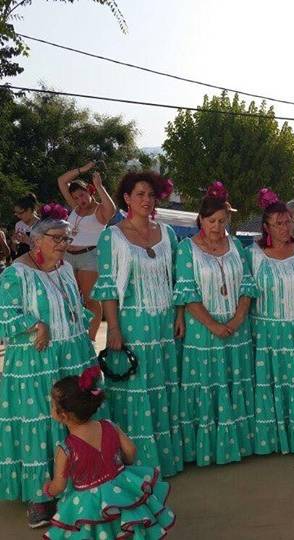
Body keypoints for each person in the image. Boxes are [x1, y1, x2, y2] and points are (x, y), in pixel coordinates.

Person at [0, 203, 98, 528]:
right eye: (56, 238)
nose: (62, 245)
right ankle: (41, 496)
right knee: (43, 421)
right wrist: (36, 324)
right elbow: (5, 314)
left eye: (66, 239)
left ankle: (74, 484)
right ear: (35, 240)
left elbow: (75, 307)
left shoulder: (66, 268)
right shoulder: (16, 273)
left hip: (71, 353)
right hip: (35, 360)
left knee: (74, 416)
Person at [91, 171, 185, 477]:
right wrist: (114, 328)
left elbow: (178, 281)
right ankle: (137, 461)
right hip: (131, 324)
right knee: (136, 389)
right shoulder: (112, 236)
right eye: (140, 194)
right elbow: (106, 286)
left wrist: (179, 315)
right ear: (127, 198)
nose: (147, 200)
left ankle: (167, 459)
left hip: (164, 323)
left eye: (151, 195)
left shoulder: (168, 234)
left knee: (164, 387)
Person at [173, 181, 257, 466]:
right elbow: (187, 293)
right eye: (211, 220)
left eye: (222, 221)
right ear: (201, 219)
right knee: (208, 384)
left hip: (236, 329)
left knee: (234, 381)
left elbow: (247, 285)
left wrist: (237, 319)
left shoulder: (236, 246)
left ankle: (238, 446)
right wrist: (213, 325)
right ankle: (206, 450)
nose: (217, 226)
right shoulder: (187, 249)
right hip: (203, 332)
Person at [44, 367, 175, 538]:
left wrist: (48, 490)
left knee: (96, 531)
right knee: (124, 527)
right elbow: (131, 450)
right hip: (120, 487)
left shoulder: (66, 449)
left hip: (88, 503)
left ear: (63, 415)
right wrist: (124, 464)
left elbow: (59, 485)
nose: (51, 408)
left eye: (53, 406)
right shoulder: (108, 425)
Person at [250, 188, 294, 455]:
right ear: (266, 227)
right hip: (268, 332)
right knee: (272, 384)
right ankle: (273, 440)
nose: (283, 227)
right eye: (277, 223)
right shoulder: (254, 255)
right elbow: (246, 295)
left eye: (286, 222)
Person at [57, 162, 118, 340]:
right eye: (75, 197)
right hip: (68, 256)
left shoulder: (99, 210)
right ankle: (72, 335)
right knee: (67, 298)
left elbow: (112, 210)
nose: (79, 200)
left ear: (90, 192)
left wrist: (99, 186)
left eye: (82, 195)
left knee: (90, 300)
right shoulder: (76, 208)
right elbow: (61, 181)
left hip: (89, 257)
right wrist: (81, 170)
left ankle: (90, 339)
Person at [11, 192, 39, 256]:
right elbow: (15, 250)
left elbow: (45, 250)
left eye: (20, 213)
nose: (18, 216)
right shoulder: (18, 225)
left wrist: (28, 241)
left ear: (29, 210)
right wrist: (14, 242)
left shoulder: (42, 225)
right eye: (16, 213)